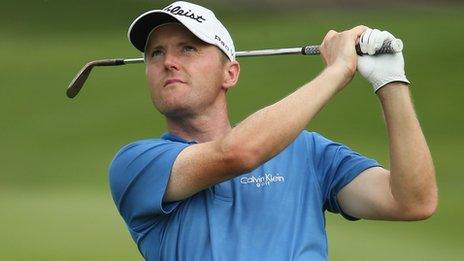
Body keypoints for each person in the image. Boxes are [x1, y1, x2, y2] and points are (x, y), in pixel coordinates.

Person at [109, 1, 438, 260]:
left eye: (188, 49)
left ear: (230, 73)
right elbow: (237, 154)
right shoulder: (136, 165)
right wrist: (339, 70)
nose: (169, 62)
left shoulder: (309, 153)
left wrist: (390, 81)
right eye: (156, 53)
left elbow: (412, 202)